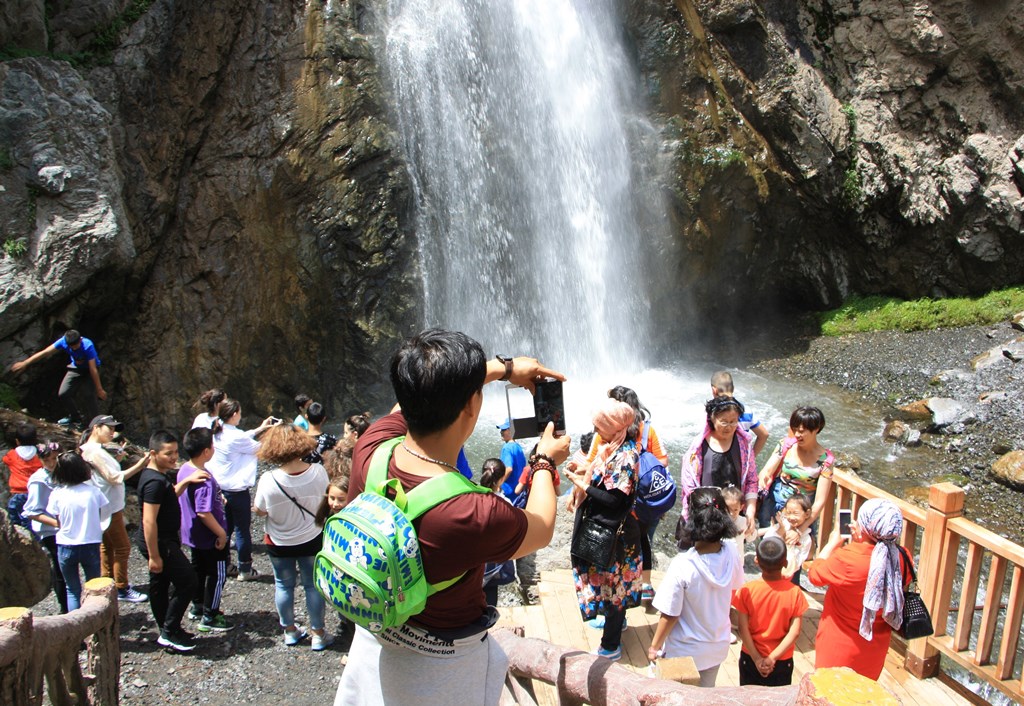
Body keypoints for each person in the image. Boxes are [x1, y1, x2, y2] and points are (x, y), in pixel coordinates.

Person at [333, 329, 569, 706]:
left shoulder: (372, 446)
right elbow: (540, 529)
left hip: (373, 639)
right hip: (442, 670)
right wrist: (544, 460)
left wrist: (503, 370)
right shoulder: (471, 511)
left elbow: (400, 410)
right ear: (471, 407)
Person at [564, 400, 642, 662]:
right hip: (612, 530)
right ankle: (616, 625)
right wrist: (583, 471)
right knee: (614, 584)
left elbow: (614, 500)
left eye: (600, 427)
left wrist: (580, 485)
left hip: (617, 535)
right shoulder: (611, 448)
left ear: (615, 428)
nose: (596, 432)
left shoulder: (627, 456)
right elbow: (604, 476)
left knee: (614, 586)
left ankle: (610, 646)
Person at [647, 487, 744, 687]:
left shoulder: (683, 564)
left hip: (685, 650)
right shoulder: (732, 552)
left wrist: (654, 646)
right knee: (705, 695)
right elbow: (735, 586)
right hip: (717, 644)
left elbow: (670, 614)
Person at [808, 497, 913, 680]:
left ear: (866, 527)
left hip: (838, 644)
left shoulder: (849, 559)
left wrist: (834, 541)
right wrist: (864, 540)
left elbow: (815, 575)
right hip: (875, 647)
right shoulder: (903, 557)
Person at [253, 423, 332, 651]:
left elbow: (260, 510)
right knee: (312, 585)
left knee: (283, 585)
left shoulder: (268, 479)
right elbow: (325, 500)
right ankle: (318, 634)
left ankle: (290, 631)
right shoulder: (318, 471)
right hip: (312, 537)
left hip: (279, 542)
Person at [137, 430, 208, 653]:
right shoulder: (154, 483)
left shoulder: (157, 477)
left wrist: (186, 481)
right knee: (188, 581)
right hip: (160, 542)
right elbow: (149, 521)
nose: (174, 457)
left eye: (176, 452)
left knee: (159, 586)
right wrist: (154, 555)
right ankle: (169, 631)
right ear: (153, 454)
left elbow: (168, 498)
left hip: (162, 540)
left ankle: (169, 629)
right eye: (168, 453)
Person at [79, 414, 151, 603]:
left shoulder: (94, 450)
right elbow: (113, 478)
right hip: (109, 507)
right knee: (123, 547)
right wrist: (140, 464)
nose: (113, 432)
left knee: (107, 546)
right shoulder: (93, 451)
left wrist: (117, 459)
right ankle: (121, 587)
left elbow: (105, 475)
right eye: (109, 428)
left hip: (104, 505)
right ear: (96, 428)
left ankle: (107, 581)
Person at [207, 399, 275, 581]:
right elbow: (261, 448)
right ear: (235, 414)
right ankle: (245, 569)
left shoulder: (218, 431)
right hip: (237, 491)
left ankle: (225, 563)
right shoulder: (236, 437)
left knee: (225, 528)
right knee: (242, 530)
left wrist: (259, 429)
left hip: (220, 489)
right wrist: (274, 433)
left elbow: (242, 437)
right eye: (240, 412)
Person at [732, 535, 808, 686]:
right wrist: (772, 658)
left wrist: (756, 658)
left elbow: (742, 628)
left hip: (751, 657)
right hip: (781, 660)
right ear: (785, 563)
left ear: (756, 561)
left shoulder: (747, 590)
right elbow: (795, 632)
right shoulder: (795, 593)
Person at [178, 427, 233, 633]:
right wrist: (221, 533)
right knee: (217, 574)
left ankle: (198, 606)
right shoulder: (203, 478)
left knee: (199, 570)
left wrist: (219, 499)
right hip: (210, 537)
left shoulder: (185, 469)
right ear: (207, 451)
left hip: (193, 535)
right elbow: (203, 512)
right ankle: (210, 614)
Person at [679, 397, 757, 540]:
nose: (729, 426)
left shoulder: (744, 445)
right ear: (712, 419)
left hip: (734, 513)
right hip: (705, 516)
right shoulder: (697, 448)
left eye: (733, 421)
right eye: (724, 421)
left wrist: (750, 510)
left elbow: (752, 479)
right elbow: (689, 486)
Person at [42, 451, 109, 611]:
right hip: (90, 543)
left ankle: (77, 625)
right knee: (94, 589)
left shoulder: (57, 494)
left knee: (72, 590)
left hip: (66, 545)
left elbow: (58, 521)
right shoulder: (94, 492)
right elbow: (100, 516)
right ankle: (96, 623)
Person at [758, 407, 834, 536]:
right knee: (770, 548)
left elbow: (820, 501)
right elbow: (766, 471)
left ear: (816, 429)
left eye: (802, 431)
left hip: (801, 515)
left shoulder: (826, 461)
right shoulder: (786, 445)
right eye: (795, 430)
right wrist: (763, 479)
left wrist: (800, 530)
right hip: (774, 506)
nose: (797, 434)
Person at [10, 329, 106, 426]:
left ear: (80, 340)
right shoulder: (63, 341)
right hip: (76, 368)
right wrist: (25, 363)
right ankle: (75, 418)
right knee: (63, 393)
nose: (74, 349)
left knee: (88, 395)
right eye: (71, 347)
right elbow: (45, 352)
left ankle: (98, 424)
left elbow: (93, 369)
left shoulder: (87, 345)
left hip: (90, 370)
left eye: (76, 346)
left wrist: (99, 389)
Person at [21, 441, 68, 612]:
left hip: (66, 528)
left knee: (68, 568)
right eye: (47, 460)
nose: (52, 463)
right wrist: (57, 524)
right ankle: (65, 607)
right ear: (40, 460)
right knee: (60, 568)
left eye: (55, 458)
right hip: (51, 531)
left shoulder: (63, 473)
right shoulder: (38, 480)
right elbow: (32, 511)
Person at [710, 371, 768, 456]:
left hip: (717, 458)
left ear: (714, 390)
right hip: (740, 460)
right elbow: (764, 434)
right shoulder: (746, 410)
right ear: (733, 388)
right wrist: (751, 457)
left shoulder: (713, 412)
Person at [763, 494, 814, 580]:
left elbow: (797, 564)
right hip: (770, 569)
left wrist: (789, 544)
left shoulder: (806, 538)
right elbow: (766, 540)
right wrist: (781, 530)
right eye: (788, 513)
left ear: (807, 514)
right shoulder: (783, 525)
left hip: (788, 575)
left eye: (795, 513)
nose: (791, 517)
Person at [3, 421, 42, 529]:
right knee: (34, 518)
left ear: (17, 441)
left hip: (18, 493)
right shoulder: (39, 455)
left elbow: (5, 460)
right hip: (36, 491)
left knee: (17, 519)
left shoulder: (12, 454)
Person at [495, 418, 527, 506]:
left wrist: (498, 484)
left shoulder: (507, 447)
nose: (501, 432)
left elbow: (508, 469)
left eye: (504, 429)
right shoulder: (518, 447)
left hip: (508, 491)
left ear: (510, 431)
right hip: (518, 490)